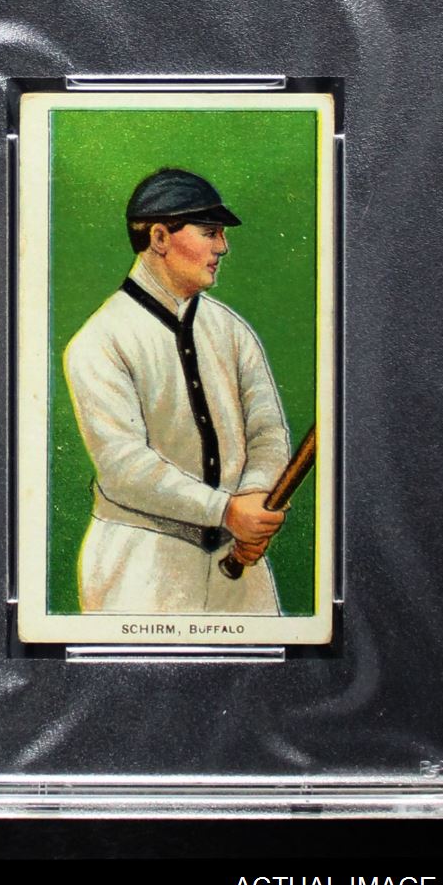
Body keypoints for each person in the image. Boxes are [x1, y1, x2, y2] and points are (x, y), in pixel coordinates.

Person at [63, 167, 290, 615]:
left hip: (238, 564)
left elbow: (267, 431)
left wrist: (254, 497)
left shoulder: (232, 331)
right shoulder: (99, 340)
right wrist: (226, 511)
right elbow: (124, 467)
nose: (222, 247)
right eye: (209, 232)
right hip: (140, 568)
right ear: (160, 238)